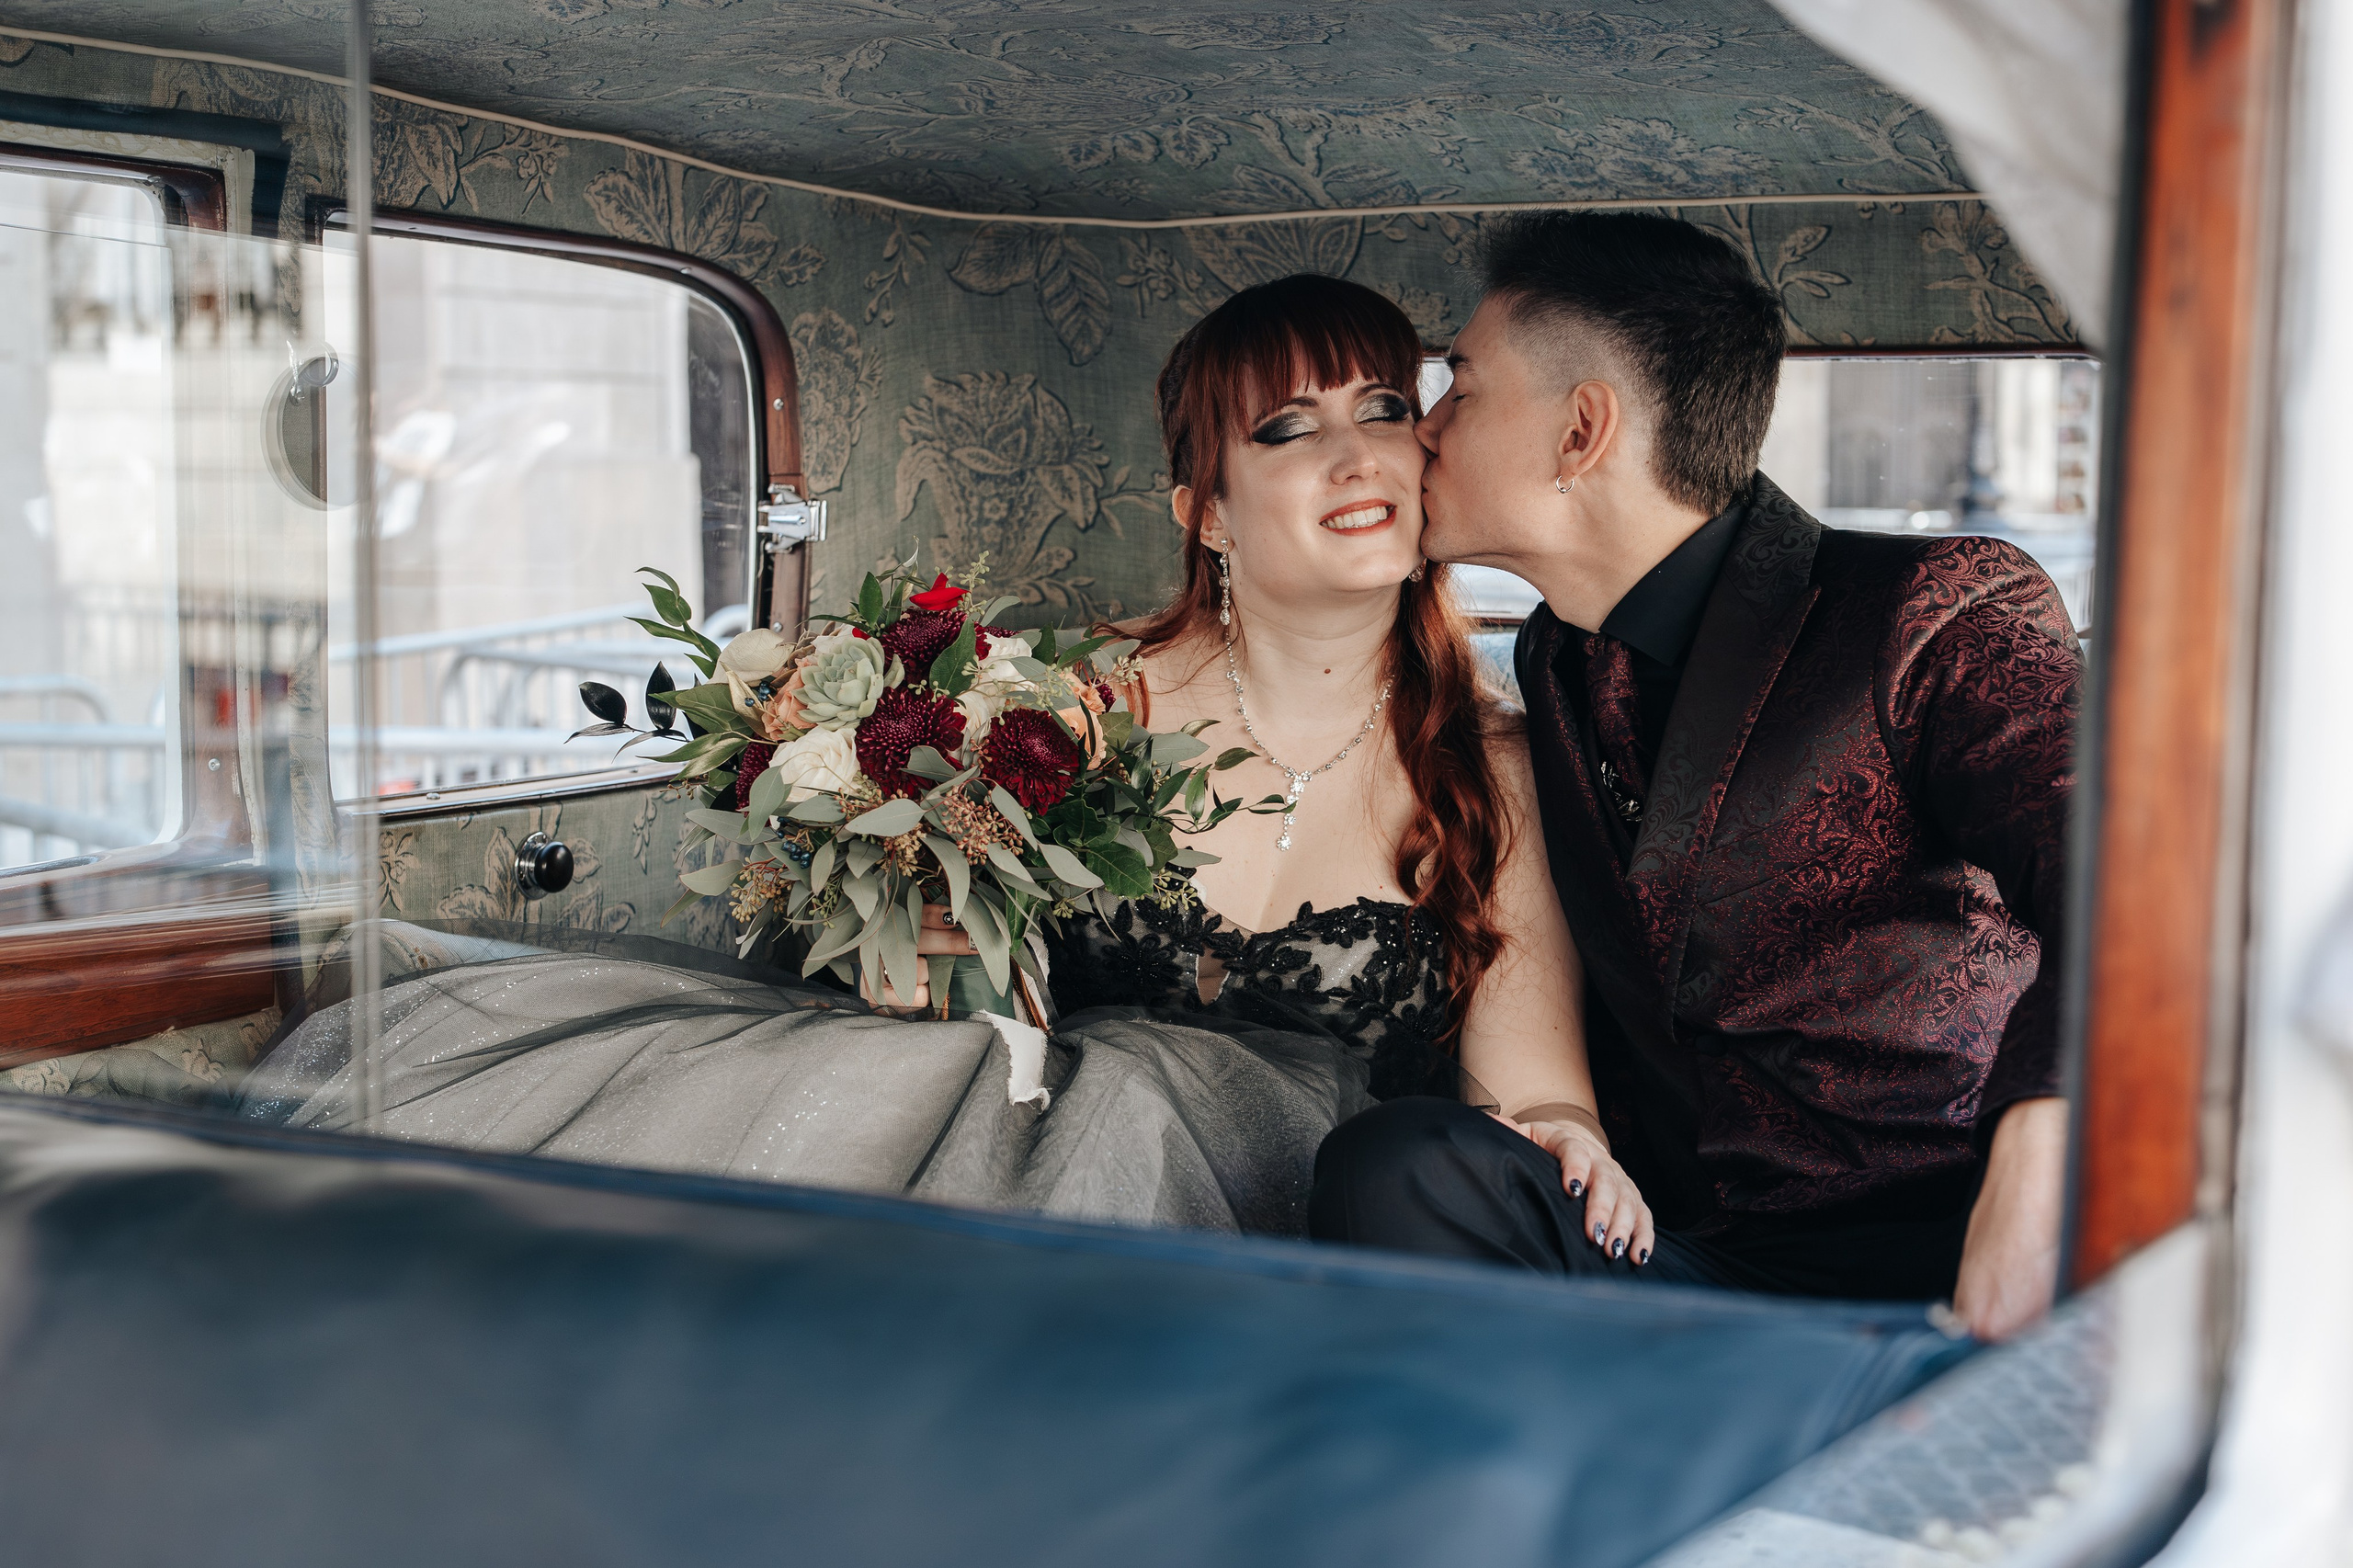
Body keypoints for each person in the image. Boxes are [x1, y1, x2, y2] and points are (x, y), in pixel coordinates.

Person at [241, 275, 1652, 1253]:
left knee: (1148, 1115)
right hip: (1006, 1162)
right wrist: (919, 933)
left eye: (1383, 408)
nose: (1357, 452)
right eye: (1288, 427)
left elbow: (1530, 1082)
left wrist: (1565, 1138)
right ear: (1206, 514)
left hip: (1279, 1230)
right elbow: (929, 964)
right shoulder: (1064, 700)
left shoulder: (1499, 770)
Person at [1309, 212, 2077, 1342]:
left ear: (1582, 429)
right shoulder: (1555, 656)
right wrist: (1562, 1125)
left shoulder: (1931, 609)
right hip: (1680, 1258)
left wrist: (2041, 1144)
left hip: (1931, 1262)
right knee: (1402, 1163)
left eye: (1458, 389)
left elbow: (2146, 867)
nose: (1421, 432)